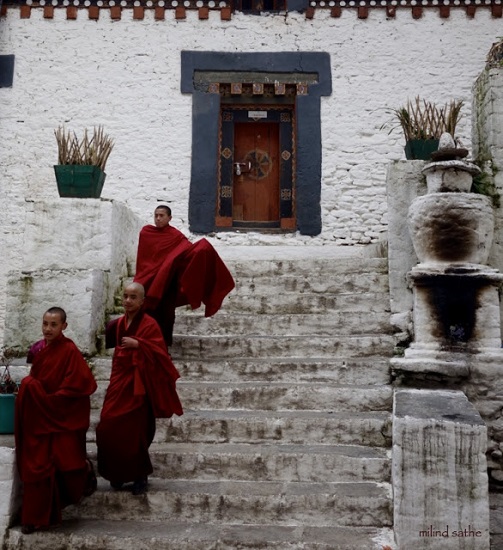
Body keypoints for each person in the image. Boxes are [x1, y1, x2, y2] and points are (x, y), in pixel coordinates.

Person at [15, 307, 97, 534]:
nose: (48, 329)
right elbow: (38, 379)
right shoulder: (37, 350)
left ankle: (85, 474)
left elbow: (79, 385)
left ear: (64, 326)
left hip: (60, 415)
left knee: (69, 466)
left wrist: (48, 400)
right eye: (45, 324)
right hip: (39, 419)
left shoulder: (69, 351)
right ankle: (33, 518)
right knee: (37, 468)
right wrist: (35, 395)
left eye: (53, 324)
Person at [96, 282, 183, 495]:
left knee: (136, 432)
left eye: (133, 297)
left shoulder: (150, 325)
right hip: (119, 383)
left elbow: (162, 355)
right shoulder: (115, 325)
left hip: (139, 386)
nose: (128, 301)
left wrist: (140, 344)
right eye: (125, 296)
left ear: (142, 301)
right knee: (106, 427)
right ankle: (117, 472)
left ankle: (138, 475)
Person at [133, 204, 235, 346]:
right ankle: (146, 343)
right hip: (149, 281)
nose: (158, 219)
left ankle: (164, 345)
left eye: (161, 216)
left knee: (167, 315)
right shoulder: (147, 233)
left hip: (168, 284)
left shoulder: (175, 236)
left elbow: (185, 253)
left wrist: (202, 250)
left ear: (170, 218)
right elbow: (144, 260)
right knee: (149, 313)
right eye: (156, 215)